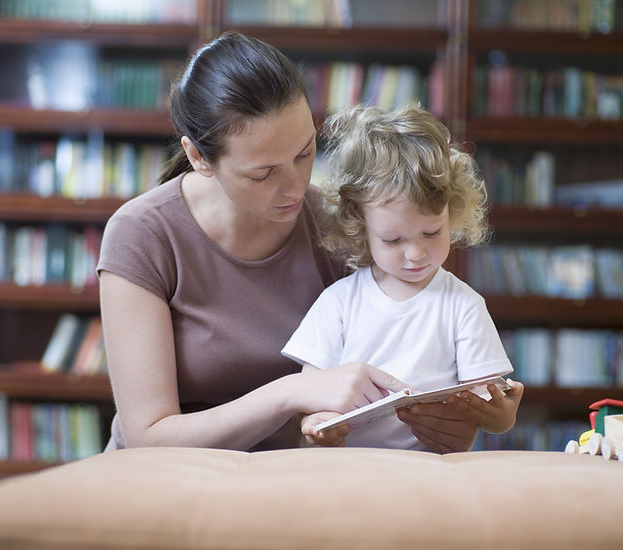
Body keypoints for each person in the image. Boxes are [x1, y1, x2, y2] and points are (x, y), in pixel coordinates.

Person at [97, 31, 482, 454]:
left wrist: (442, 427)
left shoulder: (338, 223)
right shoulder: (142, 234)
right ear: (198, 157)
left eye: (304, 153)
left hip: (296, 479)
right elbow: (148, 436)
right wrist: (291, 393)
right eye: (263, 174)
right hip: (167, 481)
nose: (296, 188)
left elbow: (386, 376)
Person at [281, 104, 524, 450]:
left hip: (431, 470)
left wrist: (501, 414)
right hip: (351, 468)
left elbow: (494, 418)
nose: (415, 254)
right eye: (393, 240)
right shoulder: (338, 302)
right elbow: (307, 399)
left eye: (431, 232)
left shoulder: (463, 306)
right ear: (360, 227)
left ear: (451, 214)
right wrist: (316, 424)